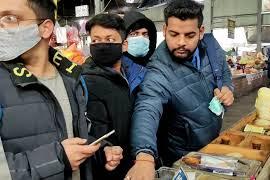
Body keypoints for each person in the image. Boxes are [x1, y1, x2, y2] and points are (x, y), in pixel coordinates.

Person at [0, 1, 120, 179]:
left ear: (45, 28)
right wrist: (58, 159)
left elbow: (73, 135)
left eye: (10, 18)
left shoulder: (72, 78)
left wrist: (99, 150)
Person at [126, 0, 234, 179]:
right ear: (164, 31)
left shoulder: (212, 48)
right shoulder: (159, 69)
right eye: (174, 34)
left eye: (189, 35)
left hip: (213, 143)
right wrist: (144, 156)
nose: (181, 42)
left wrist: (227, 89)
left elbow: (224, 74)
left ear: (201, 32)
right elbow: (147, 108)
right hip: (182, 156)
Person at [82, 13, 131, 180]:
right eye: (95, 40)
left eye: (109, 40)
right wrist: (106, 152)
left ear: (124, 45)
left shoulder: (128, 75)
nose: (101, 45)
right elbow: (92, 133)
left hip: (129, 163)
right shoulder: (87, 81)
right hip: (108, 166)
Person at [122, 10, 157, 95]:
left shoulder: (156, 66)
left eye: (145, 34)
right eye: (134, 34)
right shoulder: (118, 68)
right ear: (124, 39)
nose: (141, 38)